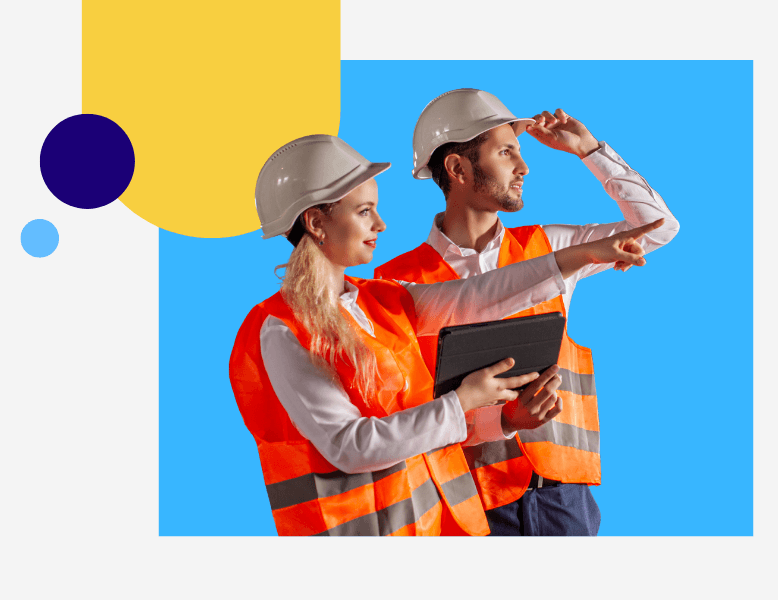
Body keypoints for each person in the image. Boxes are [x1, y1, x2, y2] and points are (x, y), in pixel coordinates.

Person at [228, 134, 662, 536]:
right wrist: (464, 402)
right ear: (316, 223)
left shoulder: (381, 300)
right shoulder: (282, 328)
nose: (380, 224)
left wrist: (577, 257)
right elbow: (349, 445)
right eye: (364, 211)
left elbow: (477, 295)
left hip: (443, 524)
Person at [375, 89, 680, 536]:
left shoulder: (551, 246)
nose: (524, 167)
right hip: (468, 503)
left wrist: (590, 151)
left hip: (563, 498)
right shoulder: (395, 283)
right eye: (506, 152)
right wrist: (502, 421)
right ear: (457, 168)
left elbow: (658, 227)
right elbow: (408, 408)